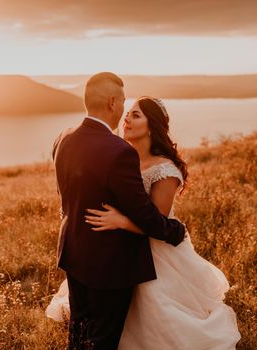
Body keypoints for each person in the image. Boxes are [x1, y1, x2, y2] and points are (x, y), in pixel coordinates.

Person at [84, 97, 241, 349]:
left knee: (156, 312)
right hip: (121, 249)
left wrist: (122, 221)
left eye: (136, 116)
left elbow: (158, 223)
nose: (127, 120)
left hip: (157, 251)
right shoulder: (123, 159)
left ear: (152, 125)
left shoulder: (164, 170)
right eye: (128, 115)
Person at [50, 73, 186, 350]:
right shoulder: (119, 151)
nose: (124, 110)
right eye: (124, 102)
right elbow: (144, 213)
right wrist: (176, 231)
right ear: (113, 102)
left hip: (74, 251)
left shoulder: (64, 137)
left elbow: (69, 192)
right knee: (104, 339)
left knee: (78, 333)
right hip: (109, 263)